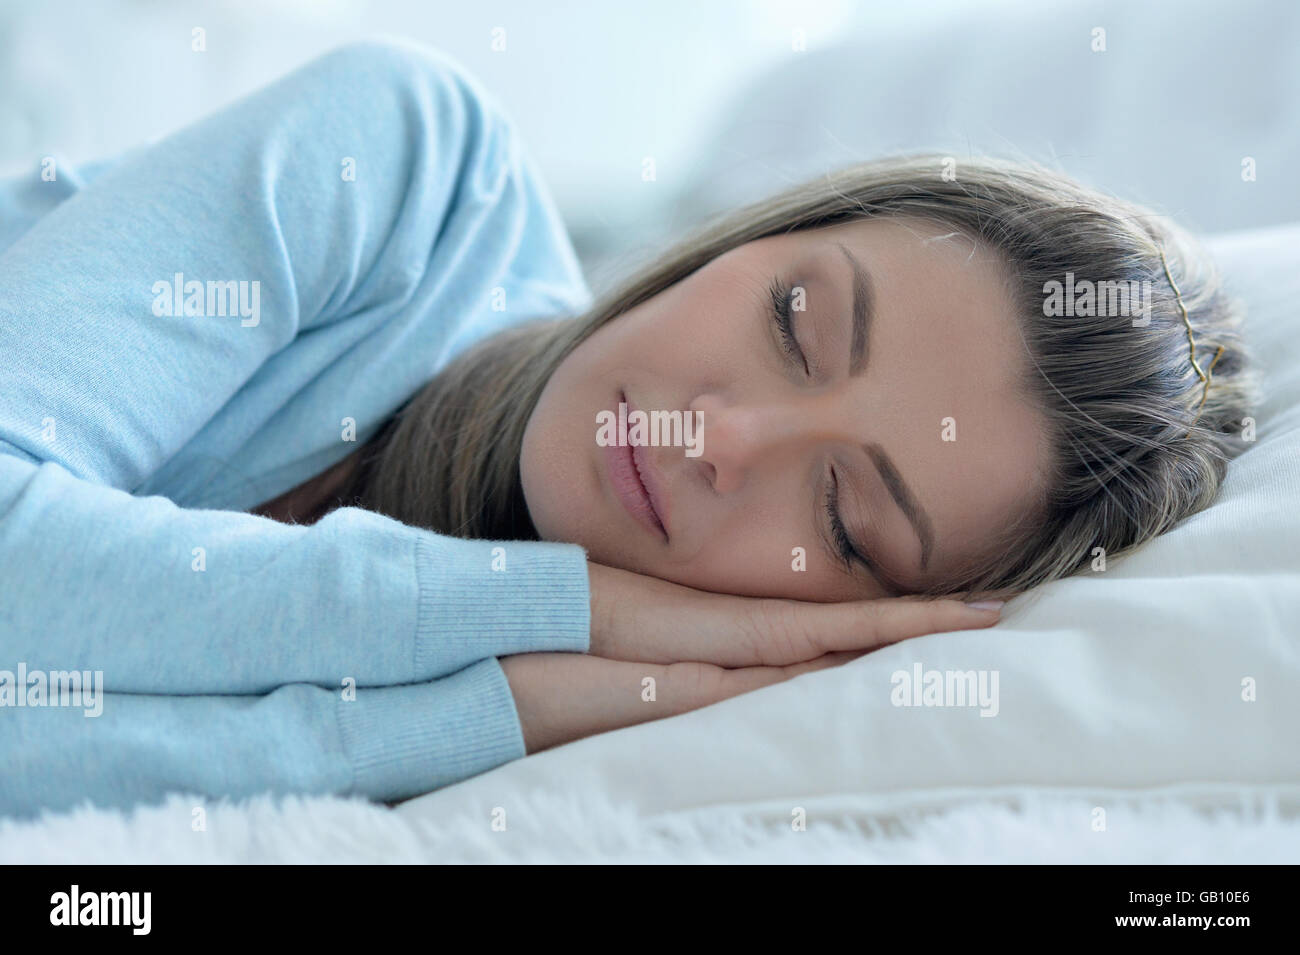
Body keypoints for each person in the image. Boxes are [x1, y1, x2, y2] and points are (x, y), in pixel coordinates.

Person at [0, 40, 1256, 819]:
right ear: (759, 230)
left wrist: (492, 708)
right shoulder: (403, 164)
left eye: (842, 517)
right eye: (795, 320)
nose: (728, 437)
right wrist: (575, 612)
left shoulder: (606, 736)